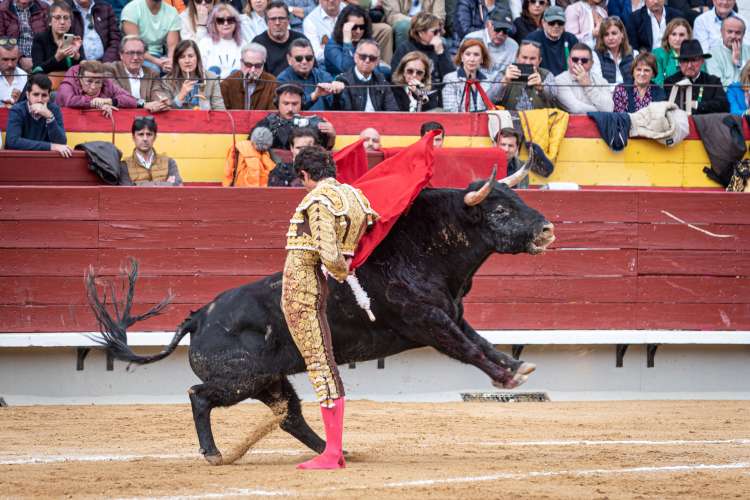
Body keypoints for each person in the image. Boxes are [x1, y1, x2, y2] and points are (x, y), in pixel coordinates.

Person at [280, 144, 377, 470]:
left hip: (302, 290)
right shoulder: (355, 197)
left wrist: (340, 269)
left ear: (304, 174)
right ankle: (332, 450)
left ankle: (332, 453)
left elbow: (328, 251)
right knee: (322, 362)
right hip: (315, 286)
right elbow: (369, 229)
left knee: (320, 365)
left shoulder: (318, 199)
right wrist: (347, 261)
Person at [391, 12, 455, 107]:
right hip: (410, 99)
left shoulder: (440, 47)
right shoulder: (404, 49)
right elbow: (396, 79)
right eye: (435, 32)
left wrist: (441, 53)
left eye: (440, 30)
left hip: (438, 99)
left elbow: (451, 78)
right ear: (421, 33)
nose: (440, 34)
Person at [5, 72, 71, 156]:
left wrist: (50, 117)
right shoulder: (18, 110)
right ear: (27, 95)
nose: (40, 99)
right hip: (20, 159)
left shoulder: (54, 110)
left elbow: (61, 143)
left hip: (45, 160)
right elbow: (12, 141)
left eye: (44, 95)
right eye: (36, 95)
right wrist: (50, 146)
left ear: (49, 96)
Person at [253, 83, 336, 149]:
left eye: (295, 104)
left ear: (301, 104)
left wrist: (332, 136)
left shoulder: (312, 124)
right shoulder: (266, 123)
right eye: (286, 103)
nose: (290, 109)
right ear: (277, 103)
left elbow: (326, 149)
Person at [105, 35, 170, 113]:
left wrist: (161, 101)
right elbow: (120, 95)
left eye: (139, 53)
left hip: (146, 117)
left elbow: (157, 92)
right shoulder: (110, 70)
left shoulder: (152, 73)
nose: (135, 57)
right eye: (130, 53)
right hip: (119, 116)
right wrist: (143, 104)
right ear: (121, 55)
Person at [664, 39, 729, 115]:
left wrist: (697, 105)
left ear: (702, 61)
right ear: (679, 62)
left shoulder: (713, 81)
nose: (689, 65)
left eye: (694, 60)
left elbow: (724, 106)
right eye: (685, 60)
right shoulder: (671, 81)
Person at [277, 38, 344, 110]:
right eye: (299, 58)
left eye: (308, 58)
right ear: (289, 59)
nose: (304, 62)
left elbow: (336, 107)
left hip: (323, 117)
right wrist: (314, 95)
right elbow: (289, 109)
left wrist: (337, 93)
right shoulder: (283, 79)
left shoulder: (323, 76)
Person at [56, 60, 138, 117]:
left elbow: (132, 101)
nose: (93, 87)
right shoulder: (68, 83)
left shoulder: (106, 82)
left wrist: (109, 101)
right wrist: (96, 103)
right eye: (89, 81)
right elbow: (70, 101)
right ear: (80, 77)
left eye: (98, 82)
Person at [334, 39, 399, 111]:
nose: (367, 60)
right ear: (355, 57)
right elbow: (347, 113)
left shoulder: (381, 80)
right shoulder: (344, 80)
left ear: (377, 61)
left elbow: (393, 110)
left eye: (372, 58)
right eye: (363, 56)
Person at [120, 0, 181, 74]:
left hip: (160, 55)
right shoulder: (131, 9)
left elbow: (172, 46)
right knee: (154, 70)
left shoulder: (172, 12)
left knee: (178, 69)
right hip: (136, 55)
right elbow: (135, 46)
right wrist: (157, 62)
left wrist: (170, 62)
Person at [121, 115, 183, 186]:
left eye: (149, 134)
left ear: (155, 137)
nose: (145, 139)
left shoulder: (169, 162)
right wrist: (166, 184)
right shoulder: (124, 166)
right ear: (133, 137)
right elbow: (127, 190)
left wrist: (137, 185)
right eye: (141, 134)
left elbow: (177, 185)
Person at [251, 0, 308, 76]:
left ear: (288, 20)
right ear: (267, 21)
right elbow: (257, 76)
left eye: (281, 18)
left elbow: (314, 70)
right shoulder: (257, 44)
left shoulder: (300, 39)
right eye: (273, 19)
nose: (277, 23)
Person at [164, 39, 225, 110]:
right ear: (177, 61)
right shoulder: (167, 81)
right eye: (182, 57)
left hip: (205, 116)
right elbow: (167, 111)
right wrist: (181, 96)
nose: (187, 61)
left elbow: (220, 109)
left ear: (197, 58)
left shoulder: (211, 78)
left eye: (190, 56)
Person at [442, 38, 500, 112]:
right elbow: (450, 110)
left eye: (476, 55)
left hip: (484, 118)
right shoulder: (450, 79)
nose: (472, 59)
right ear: (462, 57)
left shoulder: (488, 80)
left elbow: (492, 105)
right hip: (459, 119)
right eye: (468, 54)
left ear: (482, 59)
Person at [497, 39, 557, 110]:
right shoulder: (505, 73)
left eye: (532, 58)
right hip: (511, 117)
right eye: (524, 57)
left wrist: (541, 88)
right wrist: (504, 82)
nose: (528, 62)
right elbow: (490, 99)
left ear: (539, 61)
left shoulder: (547, 74)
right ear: (517, 58)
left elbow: (553, 97)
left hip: (540, 117)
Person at [554, 42, 613, 113]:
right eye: (575, 59)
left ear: (592, 63)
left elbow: (609, 108)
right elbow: (576, 109)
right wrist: (600, 111)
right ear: (568, 61)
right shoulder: (559, 80)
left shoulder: (601, 81)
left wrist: (588, 86)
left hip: (599, 120)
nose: (579, 63)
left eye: (584, 60)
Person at [463, 8, 518, 81]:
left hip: (502, 86)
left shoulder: (513, 46)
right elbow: (461, 72)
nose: (501, 34)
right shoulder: (471, 39)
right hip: (473, 84)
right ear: (488, 24)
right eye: (497, 29)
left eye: (505, 30)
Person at [524, 5, 579, 76]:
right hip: (541, 79)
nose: (556, 26)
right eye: (551, 23)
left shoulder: (571, 39)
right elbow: (526, 66)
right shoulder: (532, 39)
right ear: (543, 23)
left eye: (560, 23)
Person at [220, 42, 277, 110]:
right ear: (241, 62)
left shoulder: (272, 83)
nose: (252, 70)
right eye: (248, 65)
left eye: (258, 65)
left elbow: (273, 112)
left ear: (264, 63)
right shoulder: (227, 84)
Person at [31, 1, 82, 74]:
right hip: (47, 80)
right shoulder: (40, 39)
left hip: (70, 80)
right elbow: (37, 70)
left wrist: (77, 57)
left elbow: (84, 72)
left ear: (70, 23)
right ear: (50, 22)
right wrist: (57, 58)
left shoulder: (74, 39)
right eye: (57, 18)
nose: (62, 22)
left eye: (66, 18)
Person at [323, 4, 372, 76]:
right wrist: (347, 41)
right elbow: (348, 69)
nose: (358, 31)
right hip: (339, 81)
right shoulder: (332, 45)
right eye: (354, 27)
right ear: (343, 26)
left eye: (362, 27)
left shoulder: (366, 39)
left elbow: (375, 68)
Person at [0, 0, 49, 72]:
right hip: (13, 58)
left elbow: (50, 36)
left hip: (40, 57)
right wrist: (20, 58)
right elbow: (1, 39)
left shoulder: (44, 7)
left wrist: (37, 59)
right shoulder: (3, 9)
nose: (24, 2)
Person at [197, 3, 244, 78]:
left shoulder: (243, 44)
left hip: (236, 85)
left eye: (230, 20)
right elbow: (200, 71)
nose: (226, 23)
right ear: (214, 24)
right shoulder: (205, 43)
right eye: (220, 20)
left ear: (236, 22)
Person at [591, 16, 636, 87]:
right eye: (606, 35)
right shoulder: (595, 55)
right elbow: (599, 85)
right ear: (602, 38)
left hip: (630, 93)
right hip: (606, 93)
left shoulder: (634, 54)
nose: (610, 38)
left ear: (622, 34)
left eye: (614, 33)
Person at [707, 17, 750, 88]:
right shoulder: (712, 54)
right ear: (721, 32)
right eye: (730, 32)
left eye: (738, 33)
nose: (733, 36)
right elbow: (718, 83)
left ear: (743, 34)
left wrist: (738, 64)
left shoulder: (748, 50)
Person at [652, 18, 693, 86]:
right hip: (666, 92)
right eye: (673, 34)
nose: (677, 39)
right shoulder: (657, 54)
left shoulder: (696, 55)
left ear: (688, 37)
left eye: (681, 35)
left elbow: (701, 80)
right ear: (667, 36)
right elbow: (658, 83)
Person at [0, 37, 26, 107]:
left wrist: (21, 100)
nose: (10, 64)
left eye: (13, 59)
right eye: (5, 59)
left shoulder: (25, 77)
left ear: (18, 57)